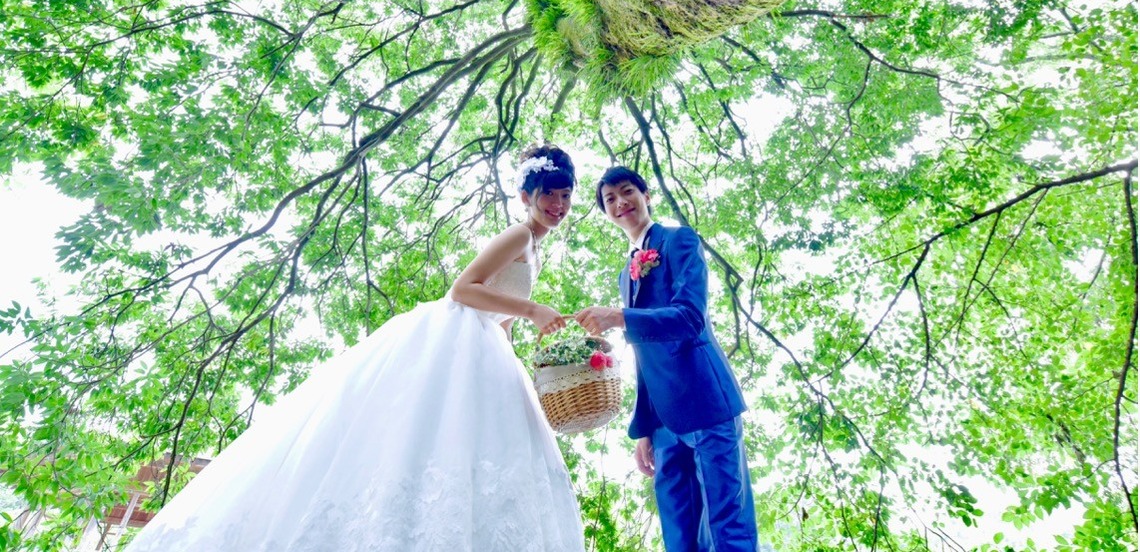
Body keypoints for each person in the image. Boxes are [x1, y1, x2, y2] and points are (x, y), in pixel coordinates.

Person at [125, 145, 586, 552]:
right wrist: (534, 311)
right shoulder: (520, 235)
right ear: (526, 196)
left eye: (565, 195)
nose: (558, 204)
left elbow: (499, 318)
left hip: (484, 352)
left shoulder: (535, 250)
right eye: (548, 193)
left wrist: (515, 359)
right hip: (453, 339)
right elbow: (462, 289)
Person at [576, 166, 758, 552]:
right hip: (662, 423)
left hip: (706, 402)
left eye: (627, 192)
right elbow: (644, 355)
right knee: (678, 535)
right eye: (610, 199)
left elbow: (691, 318)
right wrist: (644, 427)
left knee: (728, 524)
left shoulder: (680, 241)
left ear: (646, 196)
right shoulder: (625, 275)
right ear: (606, 213)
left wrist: (619, 316)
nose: (620, 202)